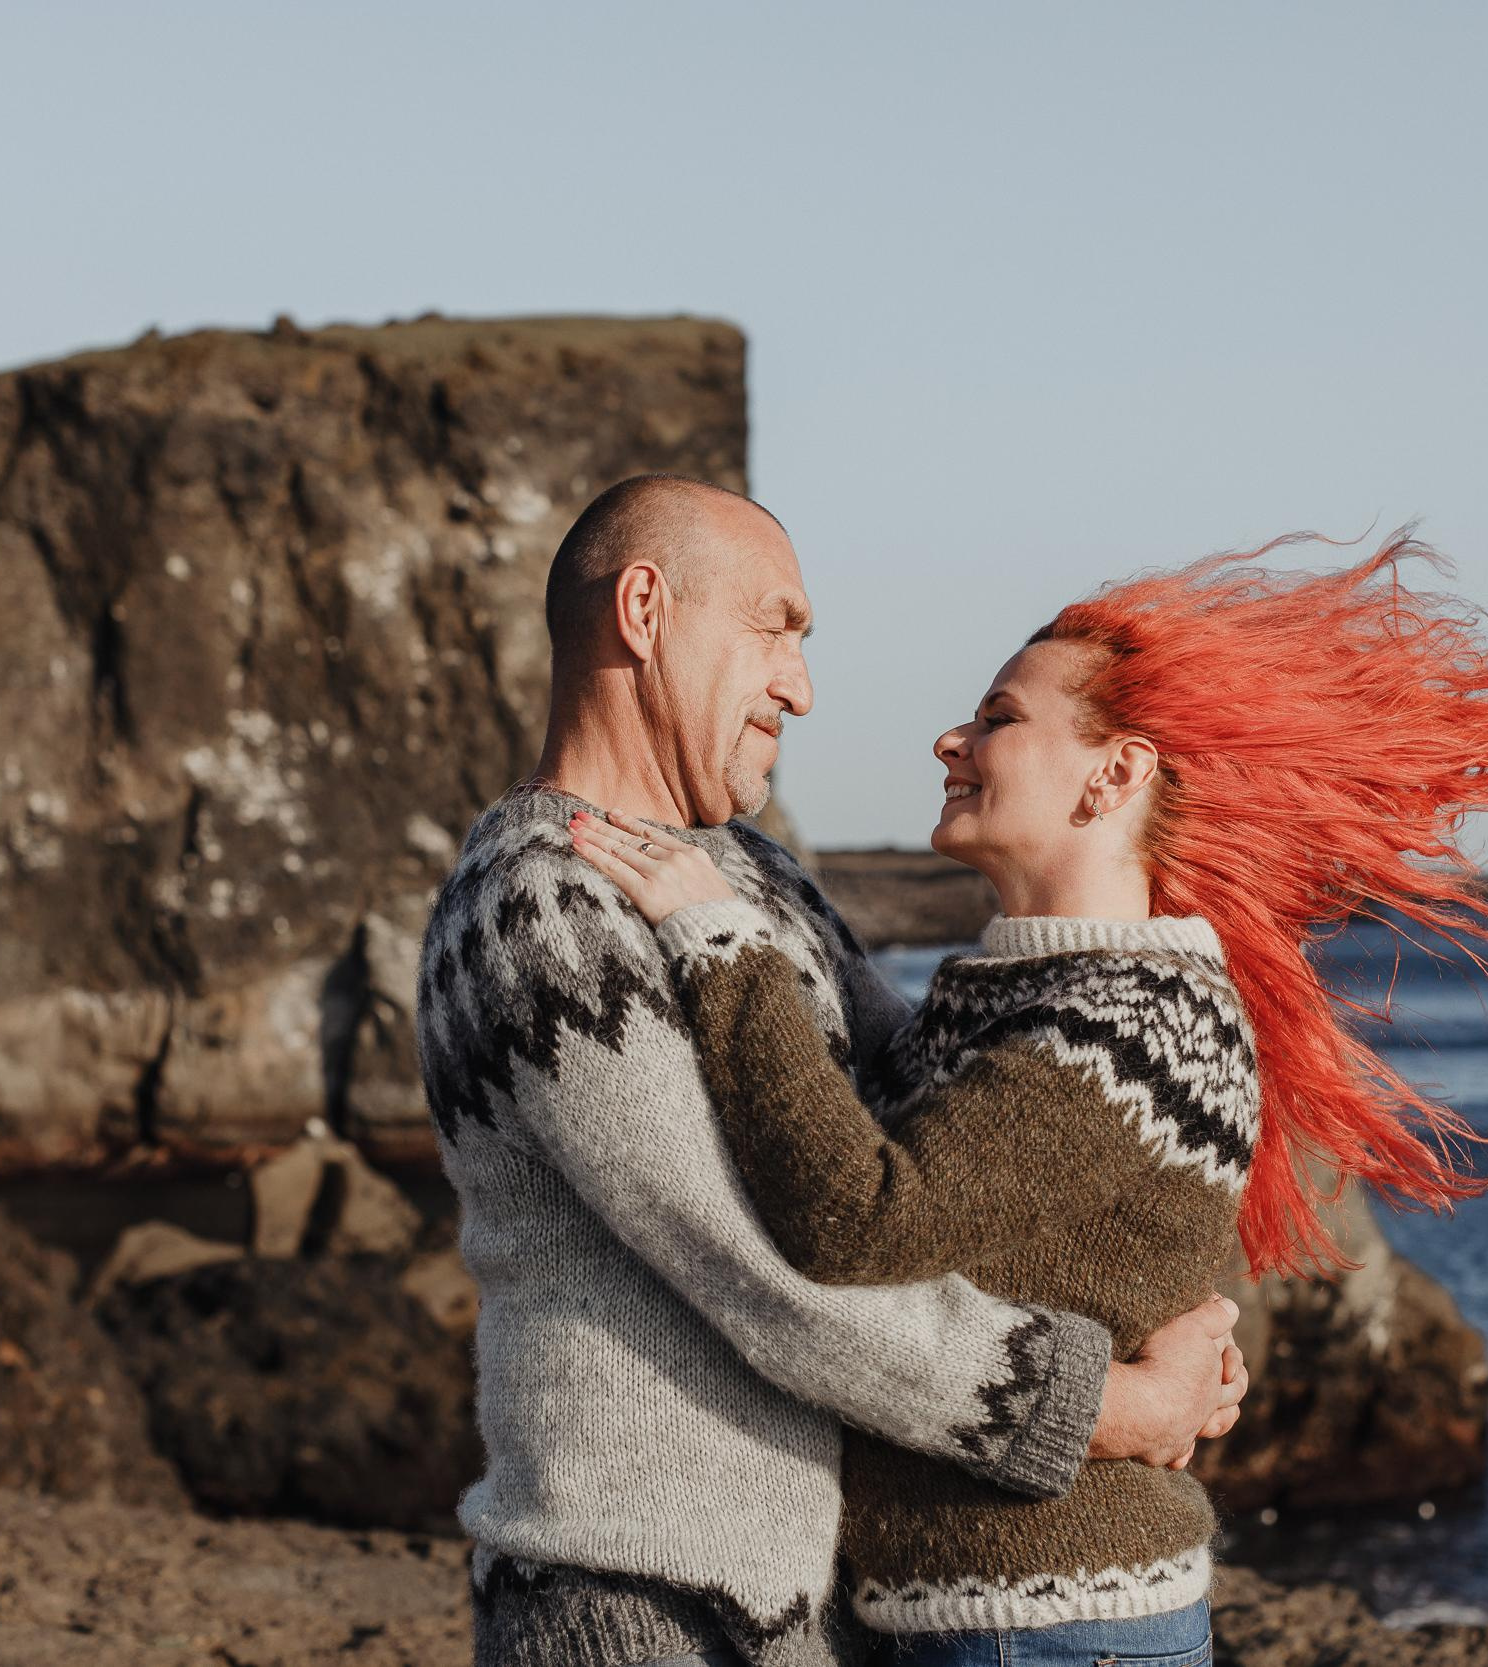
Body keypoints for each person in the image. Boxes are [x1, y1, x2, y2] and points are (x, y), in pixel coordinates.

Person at [570, 526, 1488, 1665]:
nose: (950, 738)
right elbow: (890, 1136)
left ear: (1115, 773)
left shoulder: (1124, 1022)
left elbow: (860, 1220)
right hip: (999, 1610)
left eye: (999, 719)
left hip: (1045, 1620)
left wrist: (716, 941)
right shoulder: (1044, 987)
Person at [414, 475, 1250, 1667]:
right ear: (644, 609)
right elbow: (768, 1274)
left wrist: (1162, 1296)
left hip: (819, 1607)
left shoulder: (754, 877)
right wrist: (1114, 1405)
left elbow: (938, 1127)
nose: (800, 688)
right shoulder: (538, 905)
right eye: (776, 627)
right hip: (636, 1604)